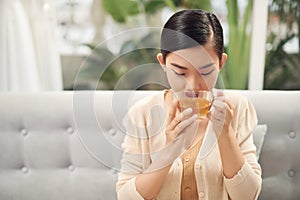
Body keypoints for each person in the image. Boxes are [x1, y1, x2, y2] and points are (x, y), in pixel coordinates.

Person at [116, 9, 262, 200]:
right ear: (162, 63)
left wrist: (225, 134)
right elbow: (125, 197)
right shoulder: (143, 113)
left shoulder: (237, 107)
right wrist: (169, 152)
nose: (193, 86)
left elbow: (248, 196)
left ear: (220, 63)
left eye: (205, 71)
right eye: (180, 72)